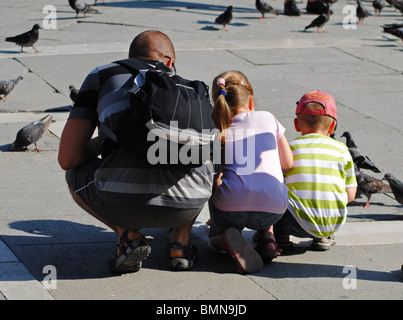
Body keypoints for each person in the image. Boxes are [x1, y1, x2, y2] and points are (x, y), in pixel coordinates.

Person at [58, 30, 214, 273]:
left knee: (73, 174)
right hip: (187, 205)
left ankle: (128, 235)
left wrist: (111, 136)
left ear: (131, 57)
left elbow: (68, 157)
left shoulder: (103, 75)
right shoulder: (190, 90)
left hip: (120, 201)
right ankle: (180, 244)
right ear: (170, 63)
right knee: (202, 153)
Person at [207, 70, 294, 274]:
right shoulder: (268, 118)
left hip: (230, 209)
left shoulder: (219, 129)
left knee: (217, 183)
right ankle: (268, 237)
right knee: (271, 178)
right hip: (272, 211)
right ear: (251, 100)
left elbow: (216, 174)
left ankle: (225, 236)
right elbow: (288, 162)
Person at [274, 90, 357, 251]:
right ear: (333, 126)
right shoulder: (342, 150)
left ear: (296, 124)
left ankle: (280, 237)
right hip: (333, 222)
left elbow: (276, 183)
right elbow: (351, 195)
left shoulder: (290, 149)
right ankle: (322, 237)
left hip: (293, 223)